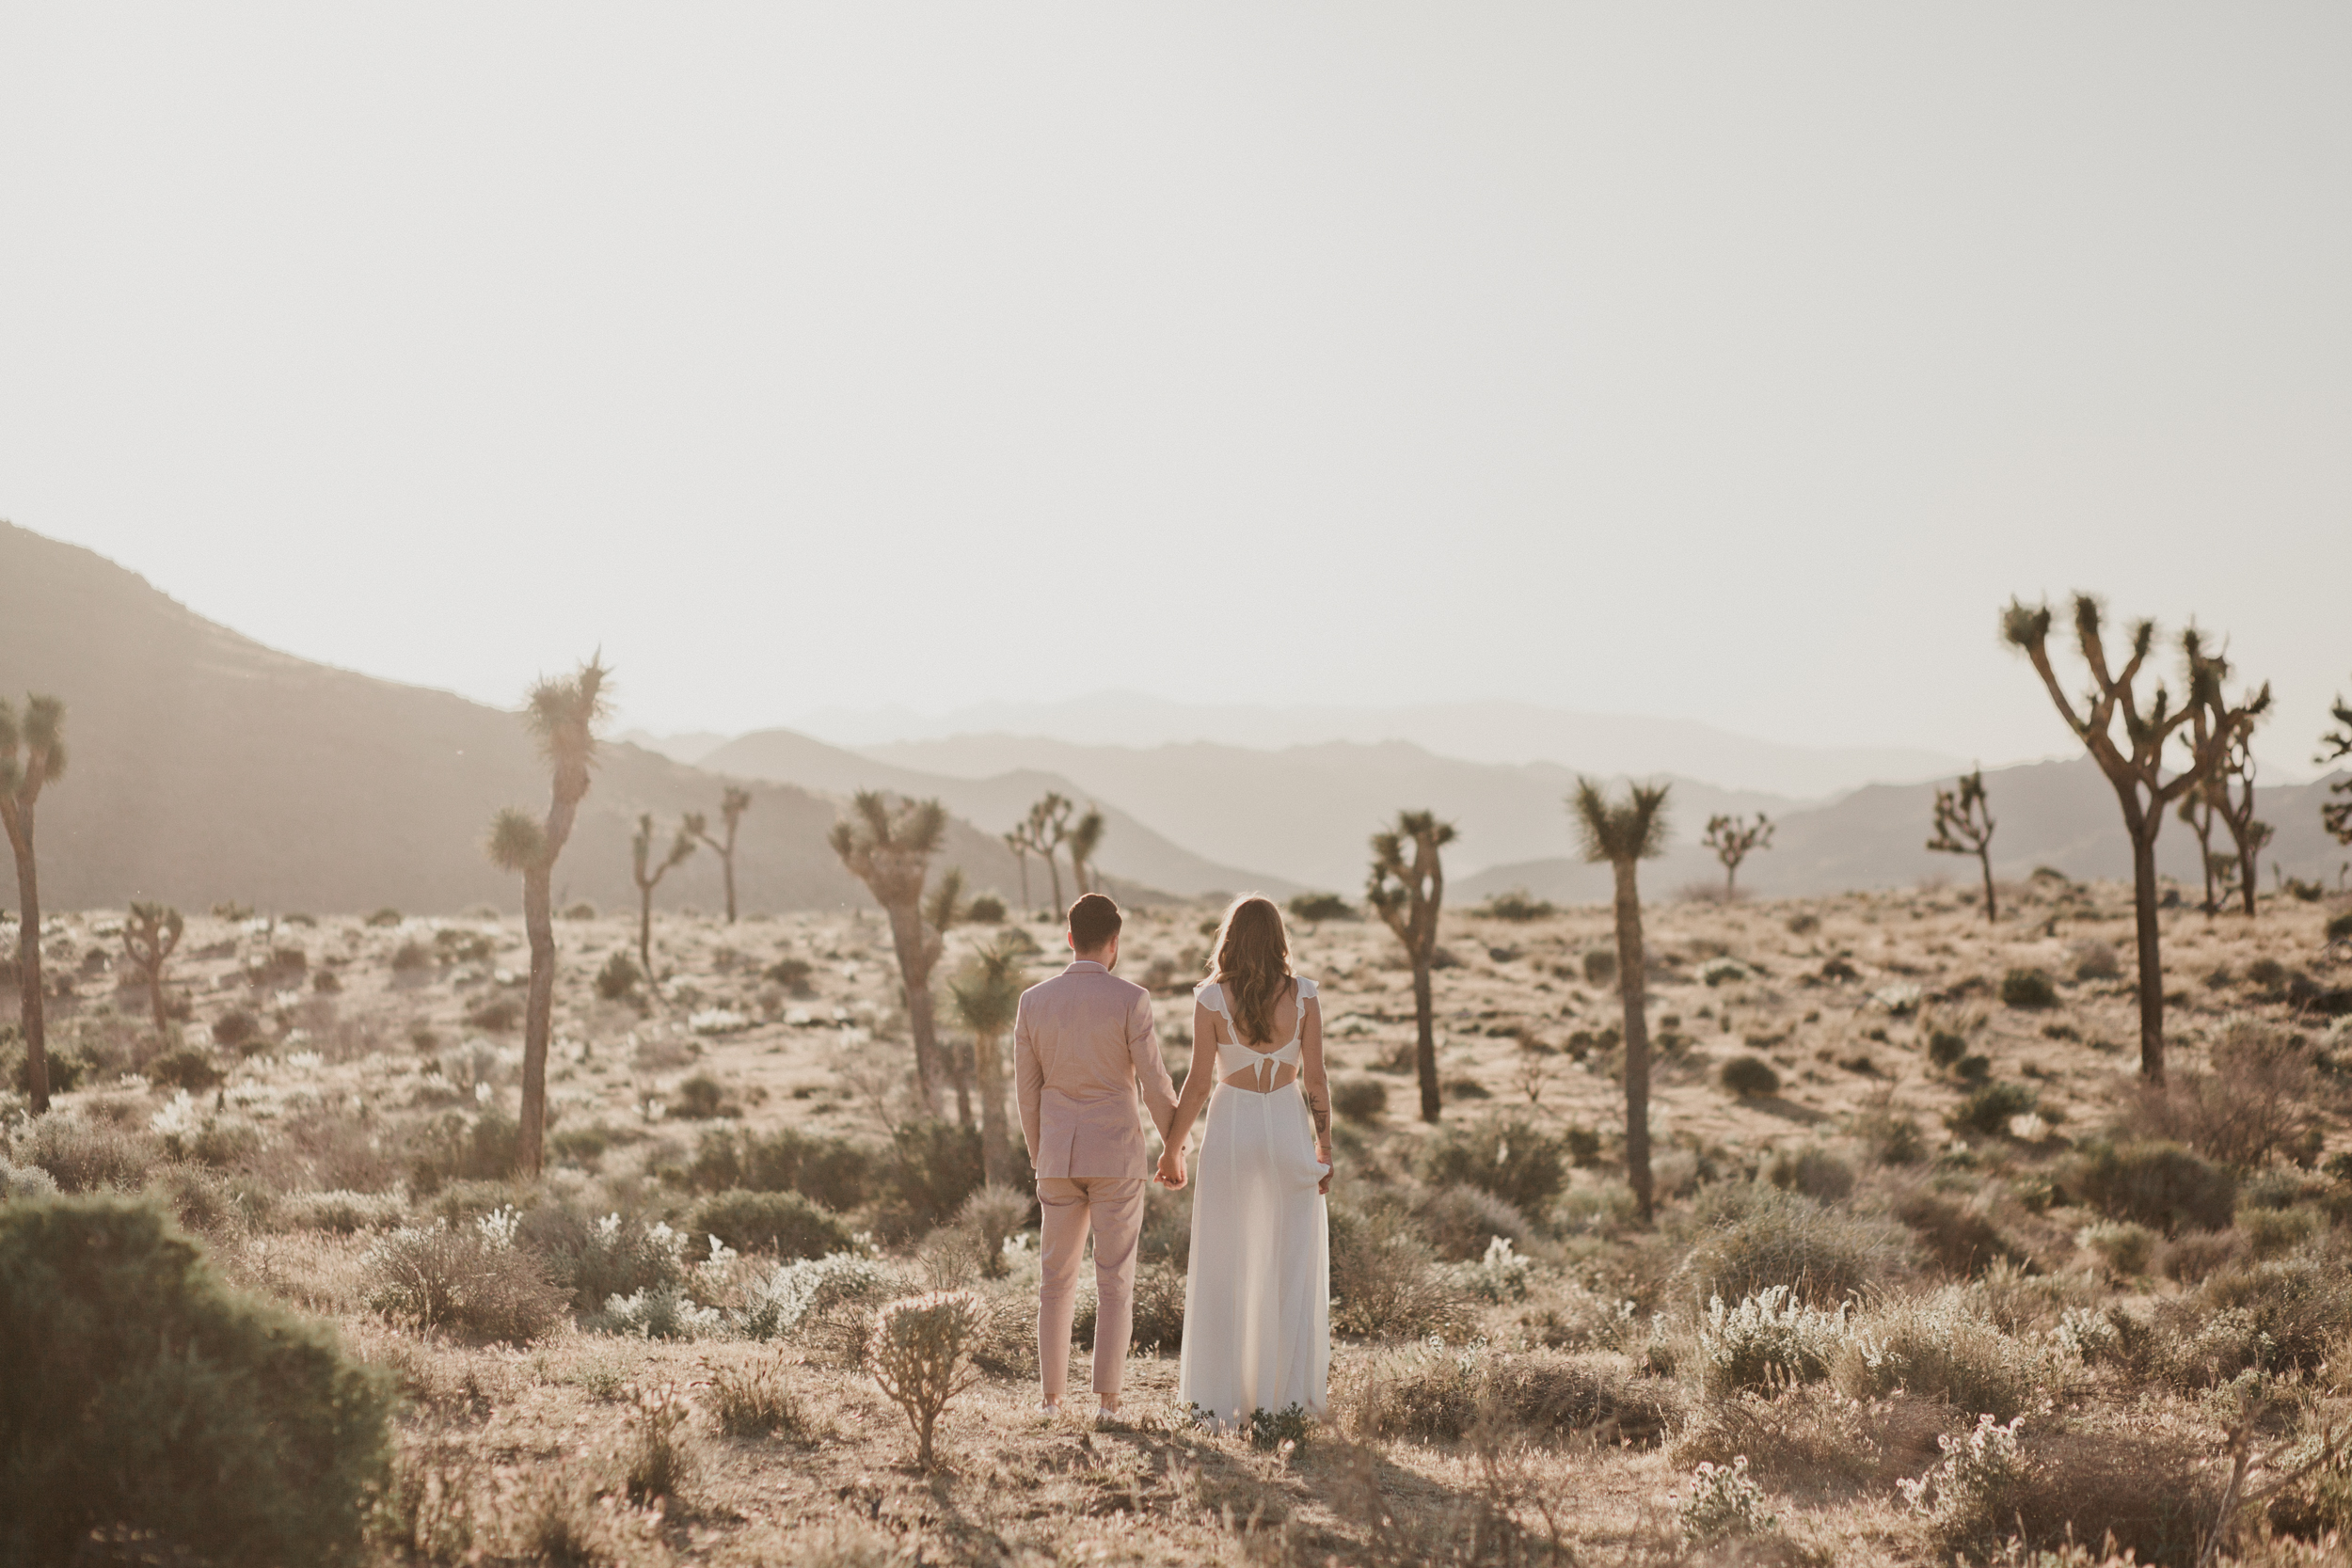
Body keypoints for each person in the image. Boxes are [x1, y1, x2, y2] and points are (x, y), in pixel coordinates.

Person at [1158, 894, 1332, 1428]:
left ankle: (1217, 1402)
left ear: (1229, 938)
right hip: (1285, 1127)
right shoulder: (1303, 997)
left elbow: (1197, 1082)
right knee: (1288, 1262)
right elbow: (1318, 1081)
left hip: (1232, 1130)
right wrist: (1326, 1148)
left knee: (1225, 1261)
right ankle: (1284, 1404)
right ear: (1279, 939)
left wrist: (1171, 1146)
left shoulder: (1212, 999)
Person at [1013, 892, 1181, 1422]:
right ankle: (1108, 1400)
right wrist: (1176, 1146)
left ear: (1069, 939)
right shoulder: (1132, 999)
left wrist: (1042, 1154)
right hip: (1116, 1154)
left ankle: (1051, 1399)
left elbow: (1026, 1090)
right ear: (1114, 944)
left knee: (1054, 1279)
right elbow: (1155, 1082)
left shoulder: (1033, 1001)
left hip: (1057, 1155)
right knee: (1115, 1279)